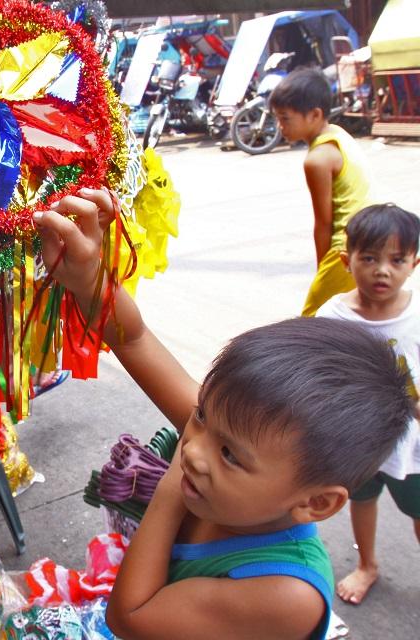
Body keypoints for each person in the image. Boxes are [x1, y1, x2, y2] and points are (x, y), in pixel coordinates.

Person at [32, 188, 414, 639]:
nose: (195, 449)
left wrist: (176, 480)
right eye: (202, 415)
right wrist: (90, 275)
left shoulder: (287, 593)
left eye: (230, 455)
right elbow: (132, 338)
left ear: (316, 503)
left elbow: (131, 616)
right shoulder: (228, 435)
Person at [315, 203, 420, 605]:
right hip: (358, 438)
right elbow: (323, 377)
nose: (383, 270)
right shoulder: (335, 316)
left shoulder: (415, 314)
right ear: (347, 260)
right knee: (361, 499)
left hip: (412, 441)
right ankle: (367, 565)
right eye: (370, 258)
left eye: (397, 260)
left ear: (414, 262)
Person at [269, 68, 375, 317]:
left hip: (344, 250)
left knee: (311, 326)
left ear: (315, 114)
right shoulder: (338, 134)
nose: (280, 126)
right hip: (368, 241)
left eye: (285, 118)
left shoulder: (318, 159)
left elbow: (324, 223)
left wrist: (323, 270)